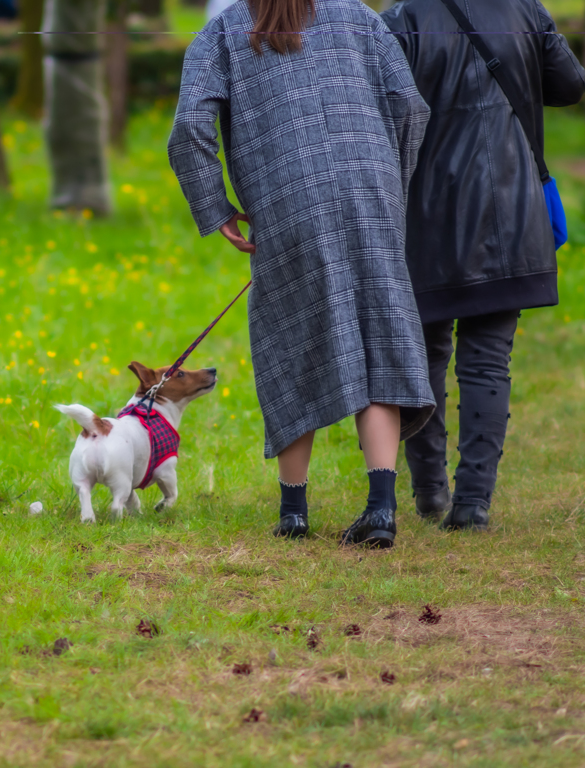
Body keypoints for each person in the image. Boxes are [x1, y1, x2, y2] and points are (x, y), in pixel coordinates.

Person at [169, 0, 435, 546]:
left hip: (285, 198)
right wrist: (391, 178)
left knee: (292, 335)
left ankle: (294, 512)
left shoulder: (223, 32)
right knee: (379, 331)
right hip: (371, 189)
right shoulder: (362, 18)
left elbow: (189, 128)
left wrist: (216, 209)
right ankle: (381, 508)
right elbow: (410, 105)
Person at [381, 0, 585, 531]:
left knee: (421, 357)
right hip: (512, 212)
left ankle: (430, 493)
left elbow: (378, 107)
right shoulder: (524, 8)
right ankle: (473, 504)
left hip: (424, 213)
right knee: (488, 359)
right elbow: (570, 86)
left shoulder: (402, 16)